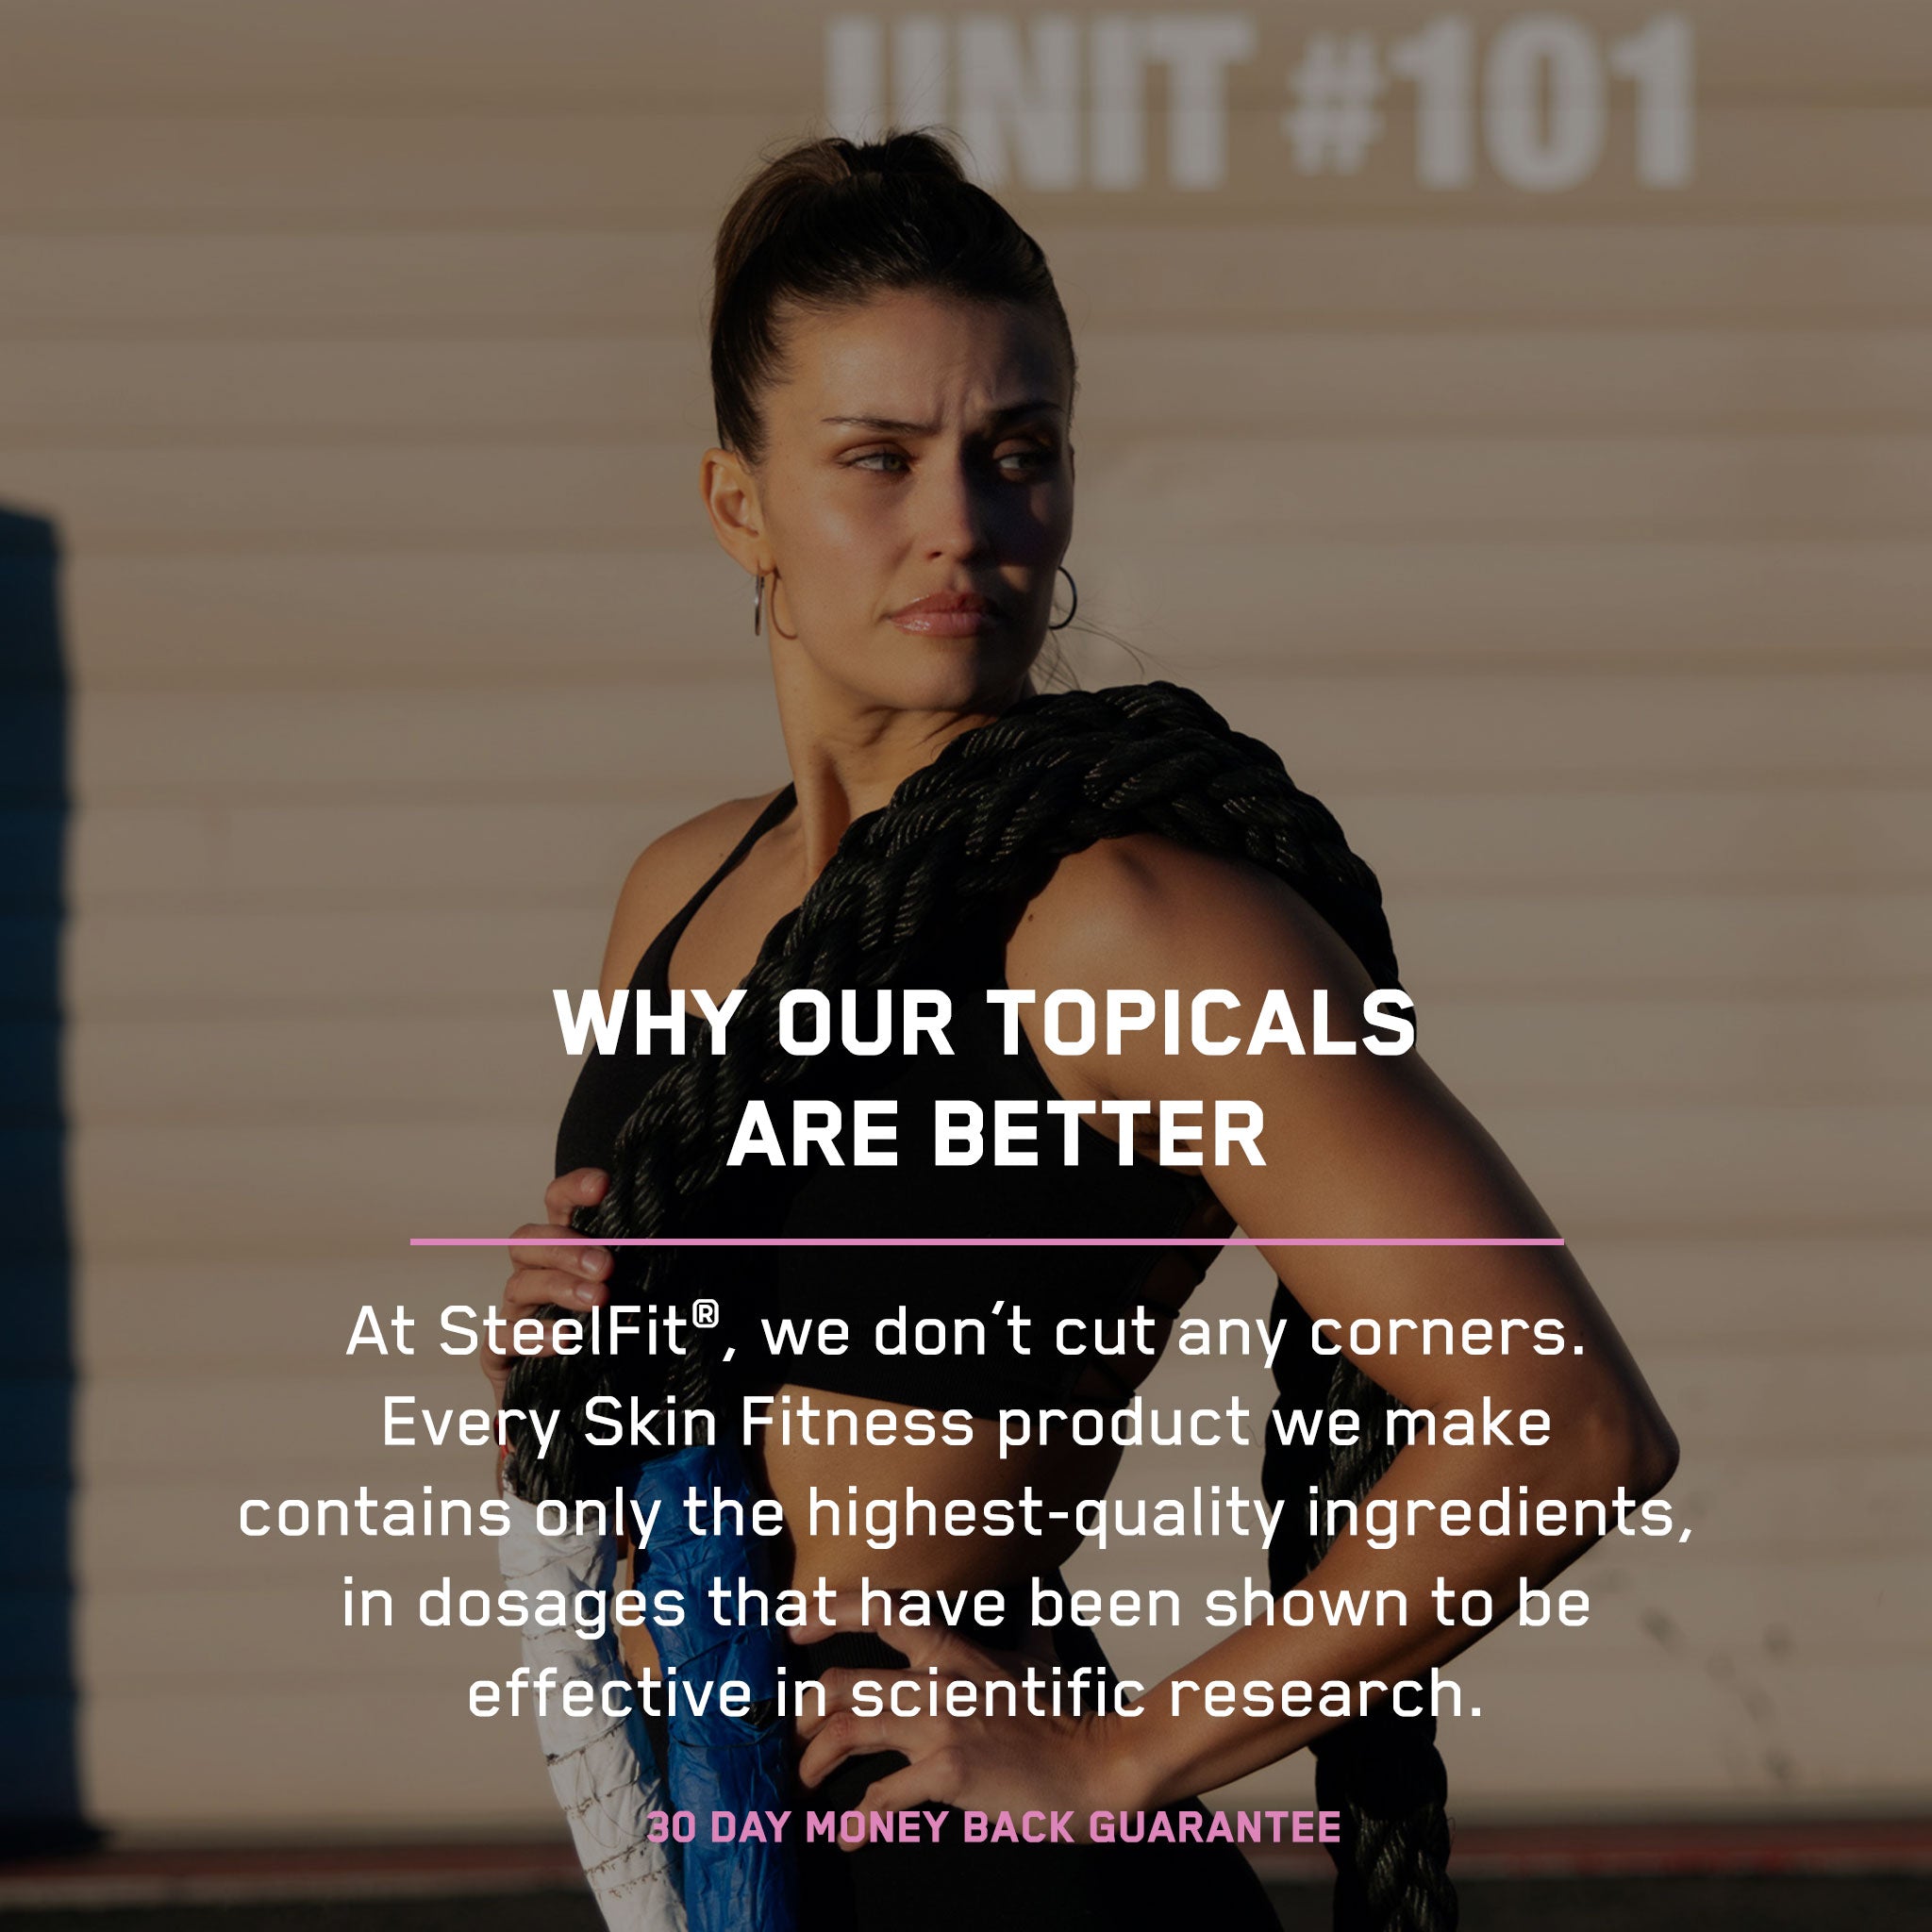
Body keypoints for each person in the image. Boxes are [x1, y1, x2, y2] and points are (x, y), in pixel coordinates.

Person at [483, 129, 1678, 1932]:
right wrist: (554, 1368)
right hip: (704, 1848)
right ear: (739, 503)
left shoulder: (1121, 916)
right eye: (878, 460)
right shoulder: (676, 894)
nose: (964, 520)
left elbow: (1566, 1425)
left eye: (1016, 453)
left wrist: (1118, 1768)